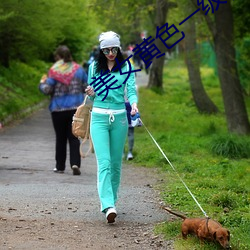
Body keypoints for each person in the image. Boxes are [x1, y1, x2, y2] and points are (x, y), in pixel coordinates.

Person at [85, 31, 139, 223]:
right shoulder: (94, 67)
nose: (110, 53)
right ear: (101, 50)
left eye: (113, 49)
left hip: (120, 118)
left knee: (116, 164)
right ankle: (107, 205)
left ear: (118, 48)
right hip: (99, 117)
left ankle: (112, 201)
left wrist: (133, 104)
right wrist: (90, 92)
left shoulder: (127, 67)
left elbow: (131, 90)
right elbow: (91, 96)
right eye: (106, 50)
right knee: (105, 163)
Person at [39, 45, 88, 175]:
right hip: (75, 109)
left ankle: (60, 166)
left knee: (60, 138)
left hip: (58, 109)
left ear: (58, 57)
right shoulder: (79, 70)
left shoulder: (54, 71)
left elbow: (47, 90)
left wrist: (42, 83)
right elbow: (87, 86)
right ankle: (75, 163)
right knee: (74, 137)